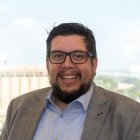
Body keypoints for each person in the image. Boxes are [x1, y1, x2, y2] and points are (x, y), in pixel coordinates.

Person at [1, 23, 140, 140]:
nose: (67, 64)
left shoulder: (130, 115)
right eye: (58, 56)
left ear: (94, 64)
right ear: (47, 63)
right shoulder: (18, 108)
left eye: (78, 56)